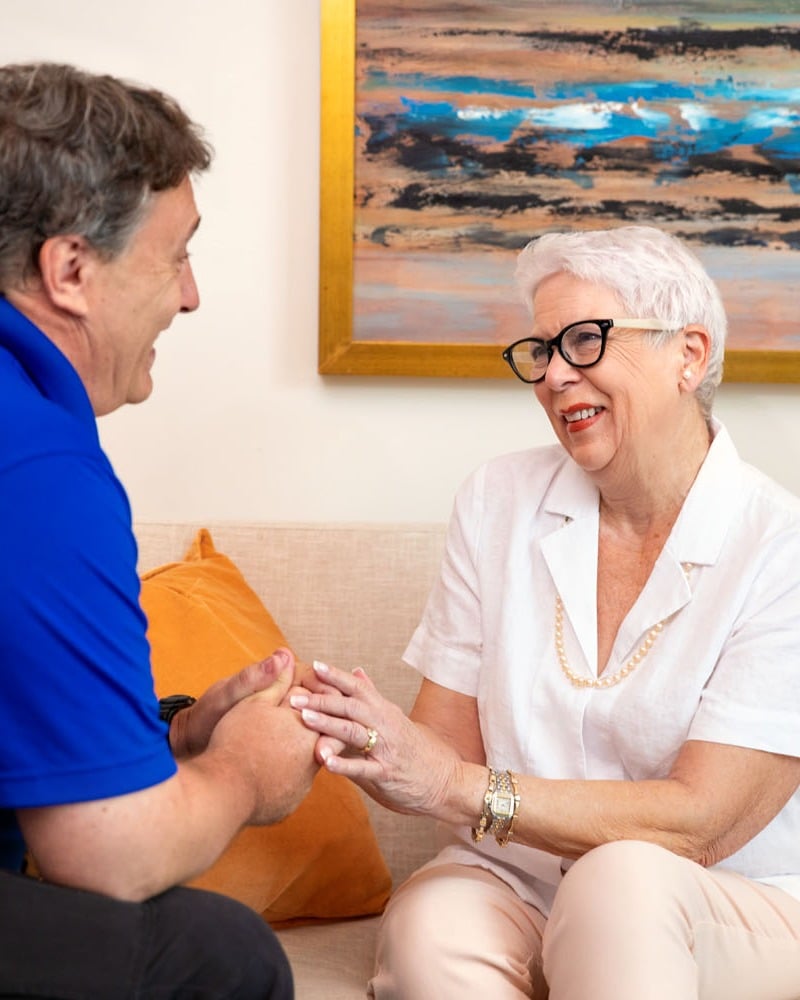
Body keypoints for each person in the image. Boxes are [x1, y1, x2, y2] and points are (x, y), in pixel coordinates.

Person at [292, 225, 800, 998]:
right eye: (540, 350)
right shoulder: (497, 499)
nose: (554, 375)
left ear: (688, 357)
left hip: (729, 897)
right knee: (432, 927)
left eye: (585, 340)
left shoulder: (780, 545)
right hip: (517, 877)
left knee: (620, 882)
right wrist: (365, 736)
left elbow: (700, 824)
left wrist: (458, 786)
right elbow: (442, 745)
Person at [0, 62, 319, 999]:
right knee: (216, 955)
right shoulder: (37, 467)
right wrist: (243, 775)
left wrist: (171, 742)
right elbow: (104, 856)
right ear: (71, 271)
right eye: (175, 254)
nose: (190, 297)